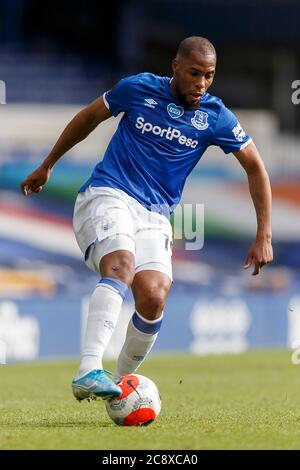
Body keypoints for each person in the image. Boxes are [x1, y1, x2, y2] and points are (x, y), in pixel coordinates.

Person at [20, 36, 273, 401]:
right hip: (108, 193)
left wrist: (263, 234)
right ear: (175, 67)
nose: (201, 83)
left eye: (209, 75)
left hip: (155, 216)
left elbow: (255, 167)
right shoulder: (138, 88)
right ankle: (88, 368)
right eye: (194, 73)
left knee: (154, 296)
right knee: (122, 264)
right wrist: (47, 165)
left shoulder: (216, 116)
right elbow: (90, 116)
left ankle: (120, 386)